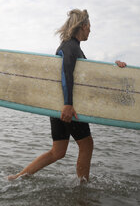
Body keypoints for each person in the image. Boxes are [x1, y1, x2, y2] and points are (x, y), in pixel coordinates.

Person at [8, 9, 127, 182]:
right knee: (86, 144)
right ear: (83, 26)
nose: (90, 31)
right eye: (89, 26)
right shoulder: (69, 47)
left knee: (58, 151)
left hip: (58, 105)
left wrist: (114, 68)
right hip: (68, 107)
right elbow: (66, 74)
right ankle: (83, 186)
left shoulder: (72, 47)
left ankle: (17, 178)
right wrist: (68, 104)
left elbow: (88, 79)